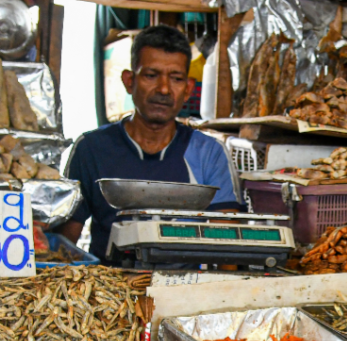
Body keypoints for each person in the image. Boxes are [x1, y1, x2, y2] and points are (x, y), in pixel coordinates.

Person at [58, 25, 242, 266]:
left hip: (186, 291)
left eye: (175, 78)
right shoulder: (91, 148)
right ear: (129, 81)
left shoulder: (209, 153)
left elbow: (227, 246)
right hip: (109, 290)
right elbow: (64, 246)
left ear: (188, 89)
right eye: (151, 76)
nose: (164, 89)